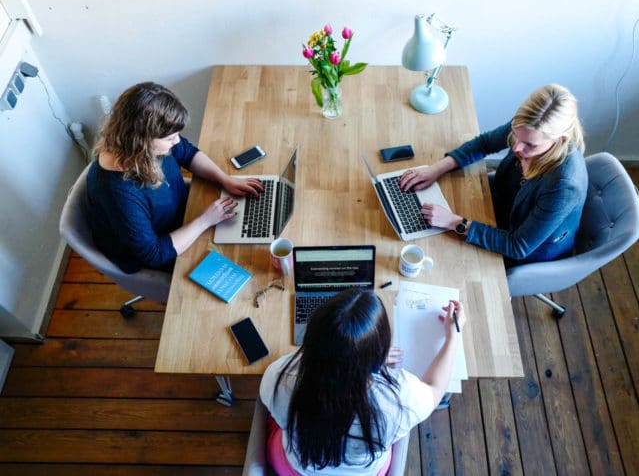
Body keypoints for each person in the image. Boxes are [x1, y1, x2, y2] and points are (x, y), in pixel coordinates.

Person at [259, 288, 466, 475]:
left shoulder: (277, 377)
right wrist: (452, 336)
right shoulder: (399, 400)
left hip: (296, 468)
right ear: (380, 352)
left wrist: (356, 357)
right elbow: (435, 388)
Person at [400, 83, 588, 267]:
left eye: (530, 145)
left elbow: (518, 246)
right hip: (499, 207)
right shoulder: (528, 126)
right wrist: (435, 169)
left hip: (523, 249)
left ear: (560, 140)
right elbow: (485, 143)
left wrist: (453, 222)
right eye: (515, 135)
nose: (516, 147)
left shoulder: (564, 186)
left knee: (448, 261)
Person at [86, 81, 263, 273]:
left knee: (248, 236)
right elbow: (154, 254)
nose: (177, 141)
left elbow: (187, 153)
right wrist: (205, 220)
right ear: (141, 141)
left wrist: (224, 179)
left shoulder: (143, 147)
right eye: (170, 138)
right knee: (244, 261)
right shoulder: (117, 193)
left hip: (185, 216)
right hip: (163, 248)